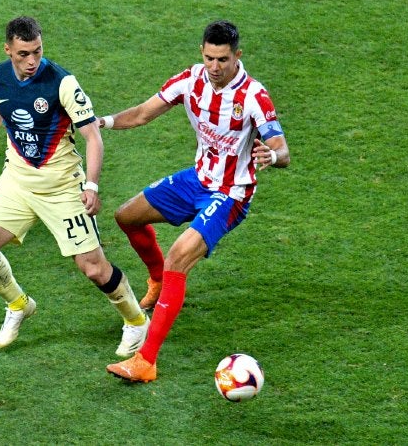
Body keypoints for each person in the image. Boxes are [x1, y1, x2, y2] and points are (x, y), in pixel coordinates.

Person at [101, 20, 290, 382]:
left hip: (230, 194)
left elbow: (282, 149)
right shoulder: (191, 80)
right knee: (127, 216)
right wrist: (100, 122)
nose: (215, 67)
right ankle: (157, 282)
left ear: (237, 55)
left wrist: (273, 157)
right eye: (208, 58)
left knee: (179, 257)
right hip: (197, 179)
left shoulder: (253, 96)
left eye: (222, 59)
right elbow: (143, 113)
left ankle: (146, 362)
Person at [0, 16, 149, 357]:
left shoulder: (61, 83)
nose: (32, 61)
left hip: (63, 188)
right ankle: (19, 304)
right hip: (17, 181)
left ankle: (136, 322)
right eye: (23, 54)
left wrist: (91, 185)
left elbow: (93, 136)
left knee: (93, 268)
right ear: (8, 50)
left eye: (37, 51)